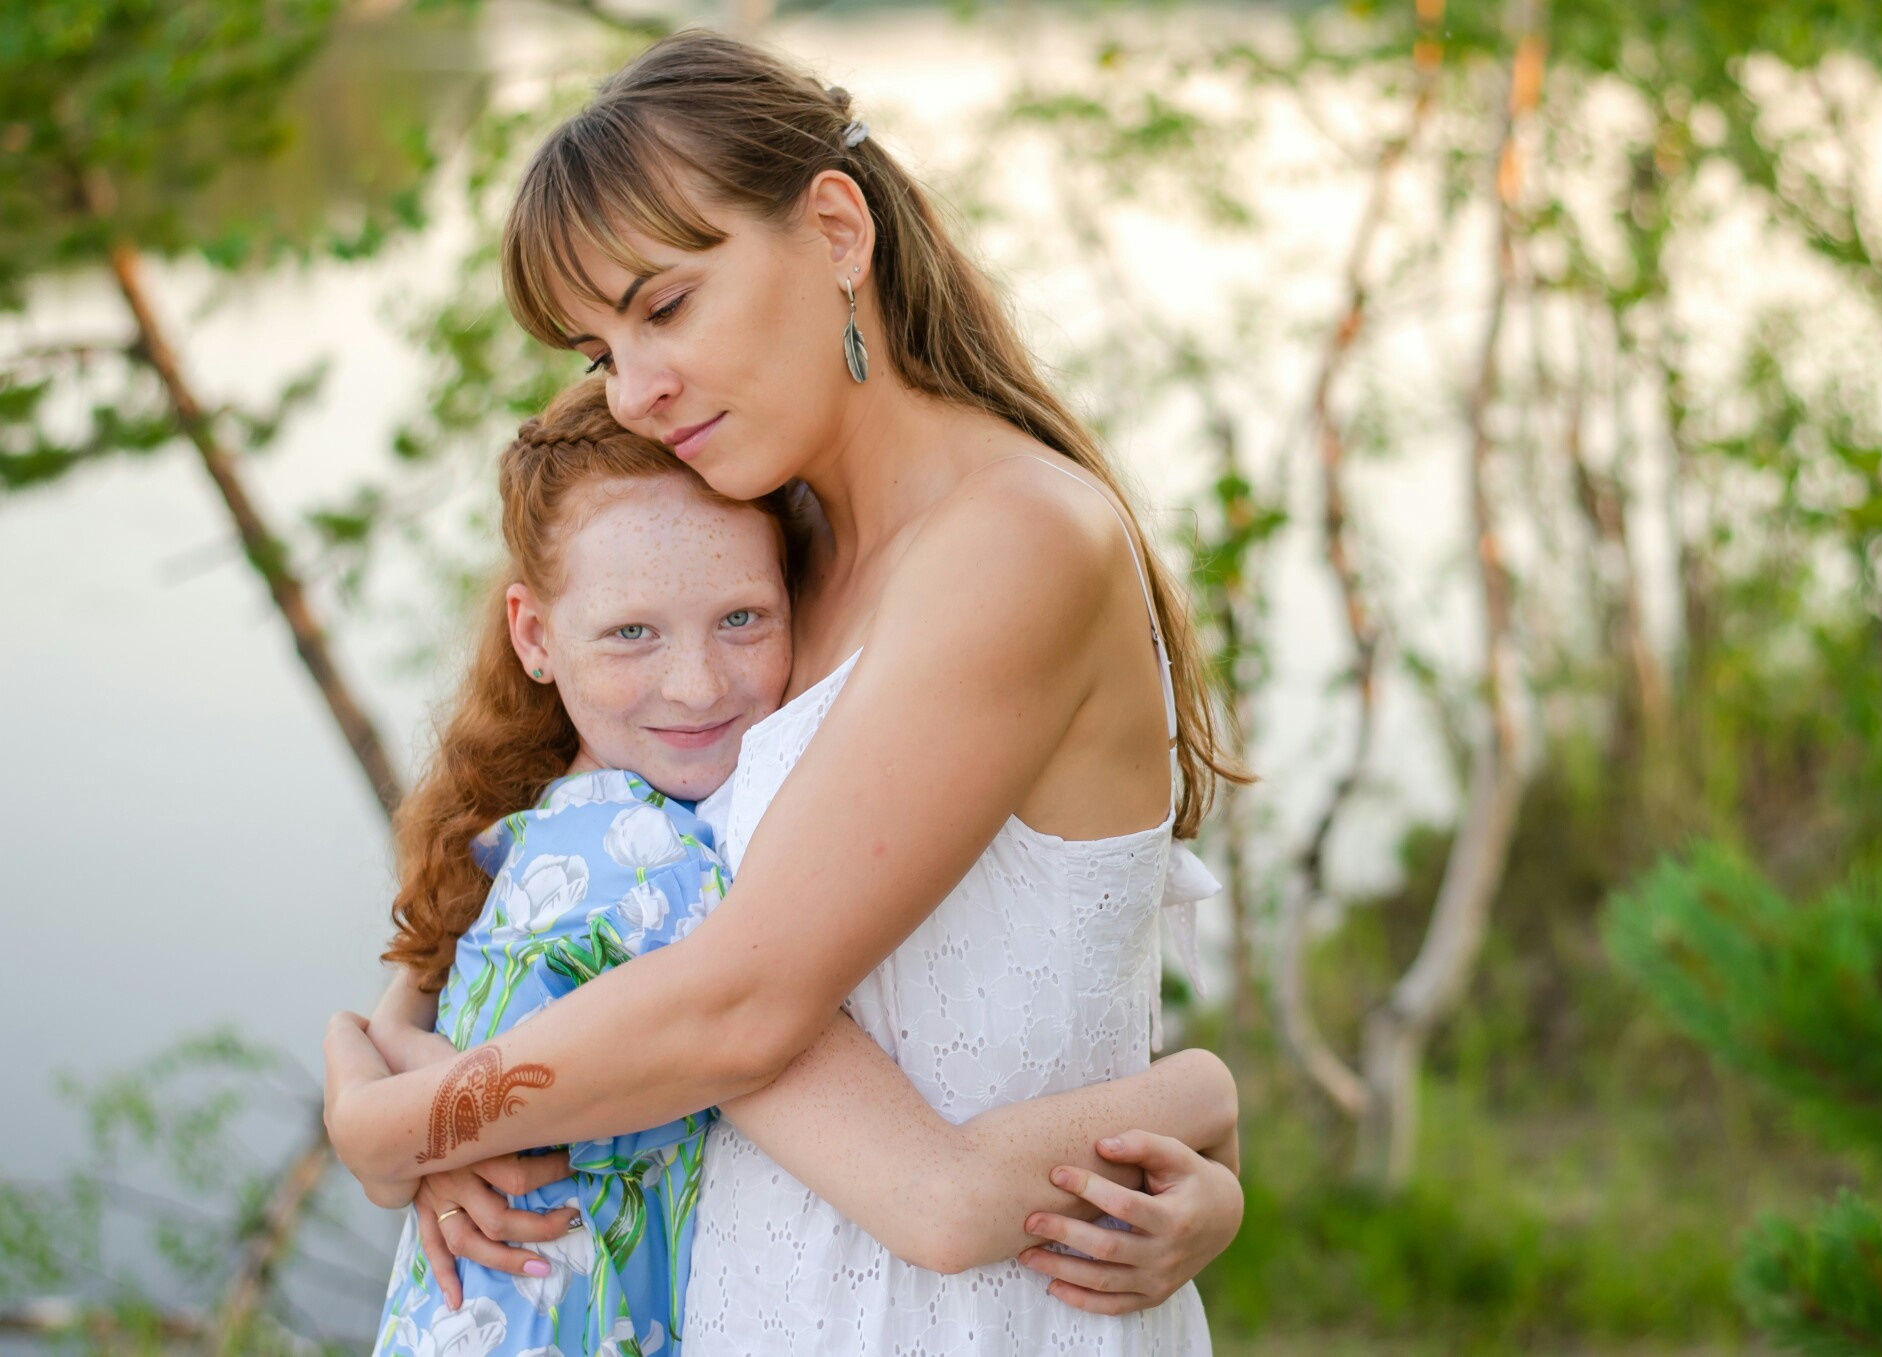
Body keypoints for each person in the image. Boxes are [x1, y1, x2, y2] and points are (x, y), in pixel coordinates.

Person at [325, 27, 1251, 1352]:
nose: (635, 392)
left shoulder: (1017, 541)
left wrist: (397, 1124)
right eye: (597, 352)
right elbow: (552, 879)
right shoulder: (765, 565)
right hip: (758, 1298)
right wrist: (386, 1061)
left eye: (664, 306)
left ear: (832, 229)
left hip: (968, 1315)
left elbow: (737, 1002)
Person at [359, 381, 1238, 1350]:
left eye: (742, 620)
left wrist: (396, 1118)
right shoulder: (654, 878)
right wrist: (1203, 1095)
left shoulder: (528, 838)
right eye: (631, 633)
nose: (697, 684)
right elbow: (940, 1200)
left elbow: (392, 1019)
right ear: (534, 636)